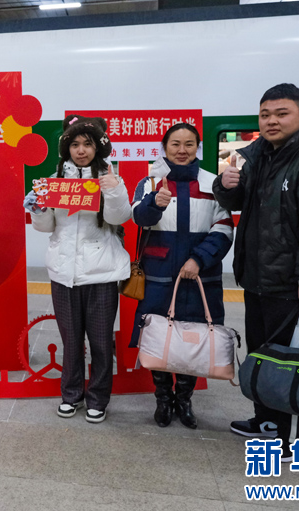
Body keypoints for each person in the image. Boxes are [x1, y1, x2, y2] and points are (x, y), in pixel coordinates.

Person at [212, 83, 299, 458]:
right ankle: (267, 422)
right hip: (258, 279)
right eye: (265, 114)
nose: (271, 121)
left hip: (294, 286)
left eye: (281, 113)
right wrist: (225, 185)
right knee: (265, 357)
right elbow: (237, 200)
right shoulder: (257, 159)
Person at [24, 121, 132, 423]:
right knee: (70, 341)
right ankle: (71, 395)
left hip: (101, 273)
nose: (81, 150)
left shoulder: (110, 178)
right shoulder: (54, 180)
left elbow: (120, 217)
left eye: (87, 144)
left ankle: (98, 399)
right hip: (63, 272)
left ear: (97, 147)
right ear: (67, 149)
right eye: (74, 145)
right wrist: (38, 209)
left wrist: (113, 190)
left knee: (100, 342)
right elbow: (46, 227)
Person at [128, 123, 234, 429]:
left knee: (194, 337)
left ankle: (184, 399)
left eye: (189, 144)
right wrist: (154, 204)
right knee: (157, 335)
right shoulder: (150, 181)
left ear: (197, 148)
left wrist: (199, 259)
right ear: (164, 148)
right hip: (159, 275)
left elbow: (224, 228)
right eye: (175, 144)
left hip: (201, 276)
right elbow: (138, 218)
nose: (182, 150)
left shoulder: (213, 184)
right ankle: (163, 399)